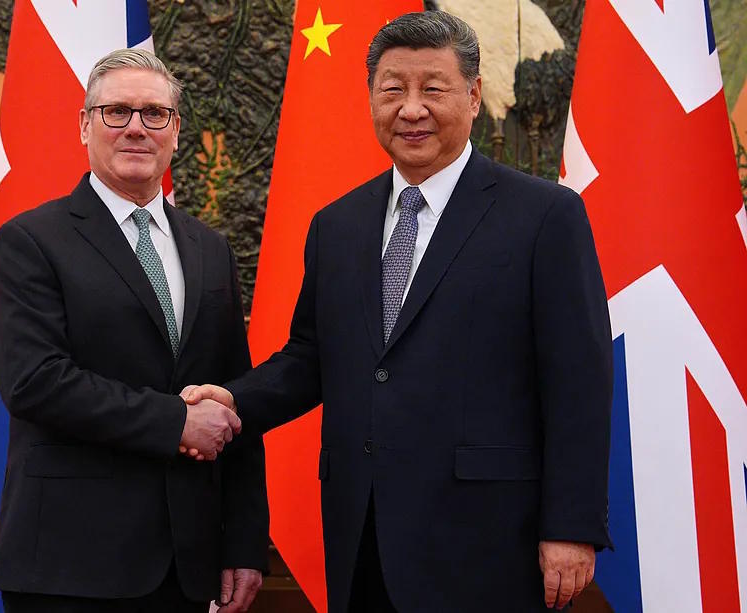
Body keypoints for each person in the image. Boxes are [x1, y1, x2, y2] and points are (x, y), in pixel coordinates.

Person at [185, 10, 612, 613]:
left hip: (489, 539)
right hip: (362, 534)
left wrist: (571, 526)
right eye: (393, 90)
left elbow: (579, 381)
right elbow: (312, 356)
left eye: (433, 89)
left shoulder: (544, 217)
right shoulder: (336, 225)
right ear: (371, 101)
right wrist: (237, 401)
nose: (412, 109)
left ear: (473, 95)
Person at [0, 48, 268, 612]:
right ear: (85, 126)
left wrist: (244, 542)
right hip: (69, 564)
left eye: (154, 113)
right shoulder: (31, 240)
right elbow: (34, 382)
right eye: (116, 112)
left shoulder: (210, 250)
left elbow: (236, 398)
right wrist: (177, 422)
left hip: (187, 564)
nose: (137, 127)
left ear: (176, 131)